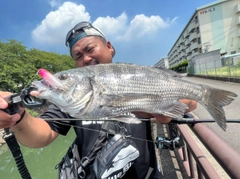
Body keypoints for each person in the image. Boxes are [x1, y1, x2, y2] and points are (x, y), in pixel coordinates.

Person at [0, 21, 197, 178]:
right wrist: (18, 118)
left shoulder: (139, 76)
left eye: (90, 49)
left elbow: (191, 101)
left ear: (109, 47)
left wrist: (168, 109)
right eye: (78, 56)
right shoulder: (71, 97)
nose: (85, 58)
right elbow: (41, 135)